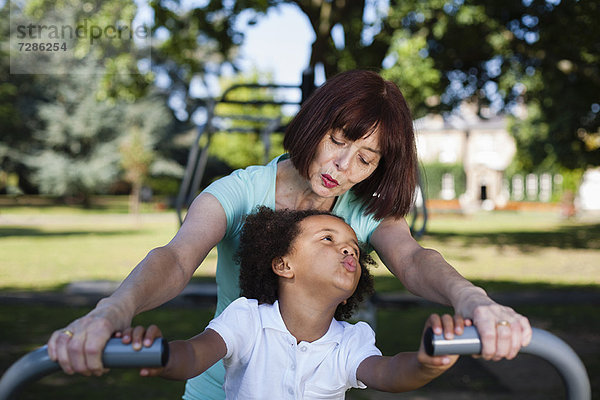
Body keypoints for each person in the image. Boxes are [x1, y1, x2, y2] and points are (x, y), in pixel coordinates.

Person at [48, 70, 531, 399]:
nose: (343, 167)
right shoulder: (239, 191)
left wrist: (473, 301)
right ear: (316, 124)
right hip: (220, 386)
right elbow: (176, 260)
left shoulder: (361, 209)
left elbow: (412, 260)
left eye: (365, 159)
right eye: (338, 140)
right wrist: (112, 311)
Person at [126, 207, 460, 398]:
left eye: (354, 249)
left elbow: (388, 373)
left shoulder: (348, 342)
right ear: (283, 265)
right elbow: (196, 354)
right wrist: (164, 356)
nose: (348, 250)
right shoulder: (247, 320)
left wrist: (424, 365)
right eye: (328, 239)